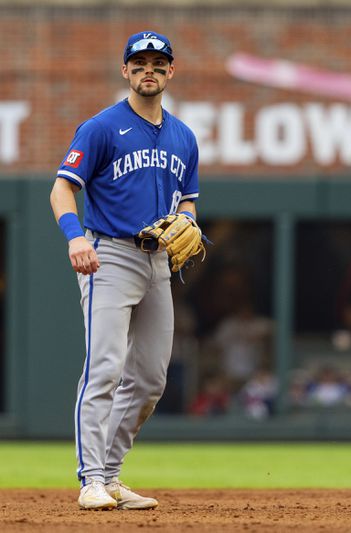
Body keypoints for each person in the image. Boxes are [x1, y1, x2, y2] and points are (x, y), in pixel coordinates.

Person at [49, 31, 200, 510]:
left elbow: (189, 201)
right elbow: (61, 189)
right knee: (105, 369)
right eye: (139, 63)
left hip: (158, 260)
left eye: (158, 63)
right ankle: (91, 478)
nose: (148, 70)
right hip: (108, 254)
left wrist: (189, 221)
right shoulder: (101, 128)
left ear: (170, 71)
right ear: (125, 71)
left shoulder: (183, 136)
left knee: (152, 378)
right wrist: (75, 236)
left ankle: (111, 476)